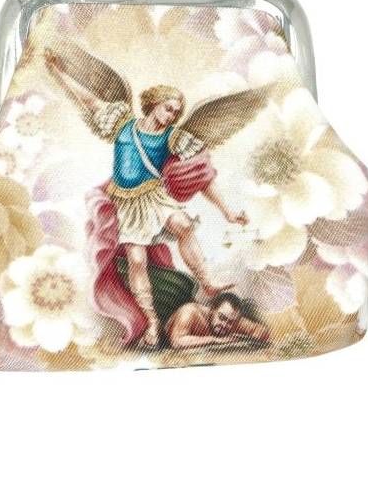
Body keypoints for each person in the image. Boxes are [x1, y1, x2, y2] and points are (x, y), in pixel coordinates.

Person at [46, 43, 271, 348]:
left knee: (184, 225)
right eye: (169, 108)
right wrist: (59, 74)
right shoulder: (121, 123)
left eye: (176, 112)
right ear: (154, 104)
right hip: (126, 202)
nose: (172, 115)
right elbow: (89, 100)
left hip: (155, 197)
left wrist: (228, 212)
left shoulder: (173, 138)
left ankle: (206, 281)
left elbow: (201, 177)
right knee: (137, 260)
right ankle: (151, 321)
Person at [165, 292, 270, 349]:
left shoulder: (232, 319)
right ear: (212, 310)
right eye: (221, 318)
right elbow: (177, 342)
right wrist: (213, 340)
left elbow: (262, 331)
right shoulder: (190, 312)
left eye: (230, 322)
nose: (224, 324)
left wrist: (245, 340)